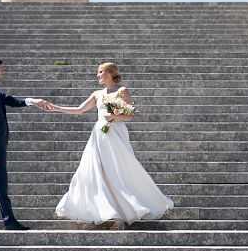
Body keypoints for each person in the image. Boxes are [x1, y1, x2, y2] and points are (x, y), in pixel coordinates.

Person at [47, 61, 174, 227]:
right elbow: (79, 110)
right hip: (99, 135)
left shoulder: (122, 91)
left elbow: (129, 115)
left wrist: (115, 117)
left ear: (110, 73)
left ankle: (127, 208)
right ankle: (107, 211)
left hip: (116, 134)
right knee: (96, 170)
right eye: (98, 72)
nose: (98, 75)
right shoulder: (97, 94)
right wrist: (55, 107)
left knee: (118, 170)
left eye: (101, 72)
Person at [0, 56, 51, 231]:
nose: (2, 72)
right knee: (1, 182)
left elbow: (10, 100)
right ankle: (9, 220)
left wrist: (32, 101)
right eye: (0, 69)